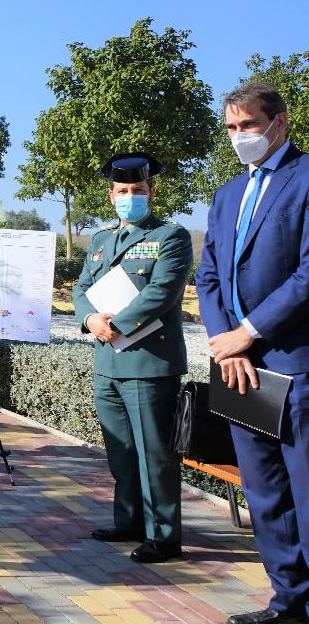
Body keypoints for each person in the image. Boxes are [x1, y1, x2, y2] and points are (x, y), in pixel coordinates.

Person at [197, 83, 309, 624]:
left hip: (294, 364)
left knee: (306, 494)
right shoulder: (226, 195)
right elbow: (210, 274)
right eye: (231, 129)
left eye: (249, 125)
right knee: (264, 494)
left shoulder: (306, 178)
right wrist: (228, 344)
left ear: (279, 124)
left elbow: (308, 274)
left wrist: (250, 331)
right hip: (239, 368)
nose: (240, 137)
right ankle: (287, 600)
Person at [72, 152, 191, 564]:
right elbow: (81, 288)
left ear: (151, 192)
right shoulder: (103, 240)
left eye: (137, 191)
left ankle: (164, 535)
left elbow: (163, 293)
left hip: (148, 362)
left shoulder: (171, 237)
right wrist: (89, 320)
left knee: (154, 453)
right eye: (122, 192)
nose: (130, 197)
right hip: (108, 361)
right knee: (120, 449)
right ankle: (129, 522)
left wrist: (115, 325)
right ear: (111, 196)